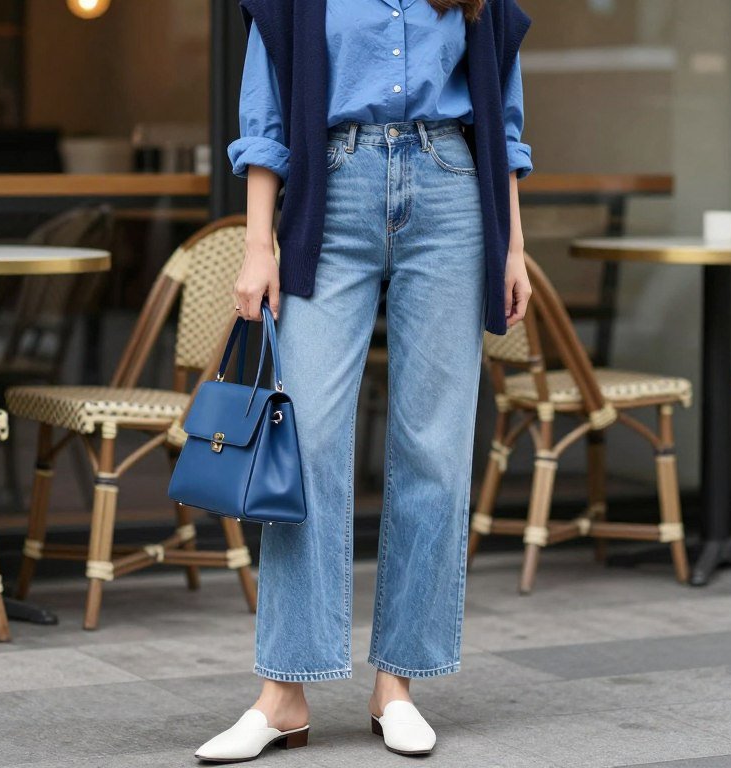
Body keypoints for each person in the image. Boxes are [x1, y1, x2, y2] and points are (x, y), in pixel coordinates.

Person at [196, 0, 532, 761]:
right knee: (307, 442)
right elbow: (266, 115)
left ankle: (397, 686)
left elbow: (503, 120)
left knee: (434, 449)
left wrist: (513, 246)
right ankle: (283, 693)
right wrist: (258, 244)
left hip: (450, 192)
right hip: (334, 189)